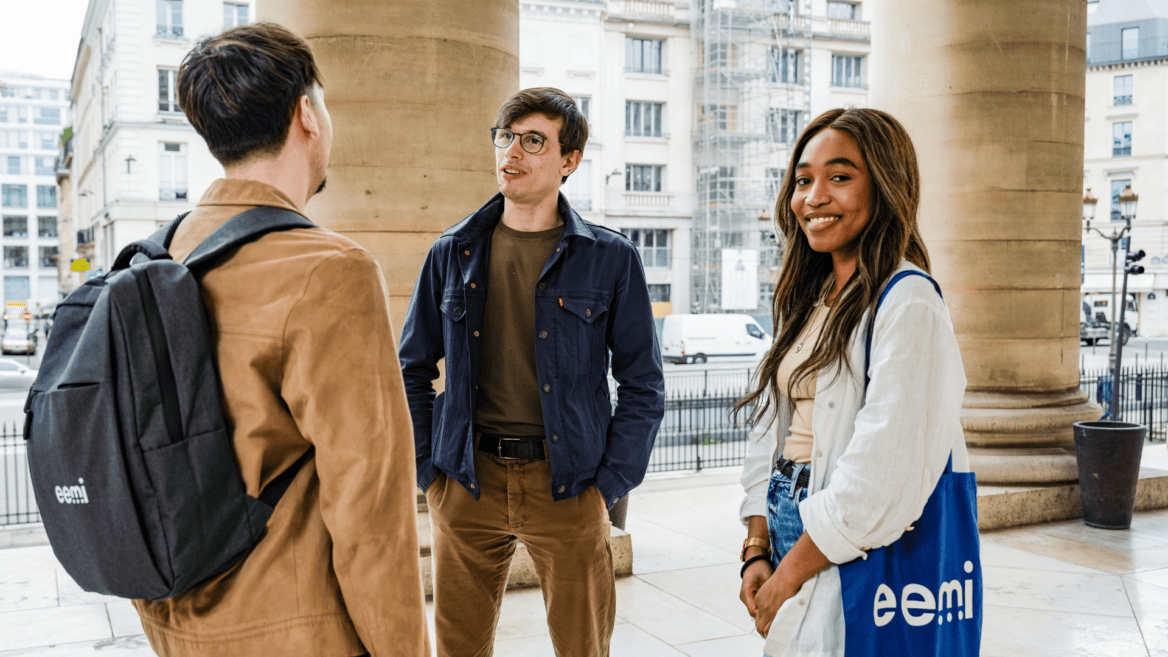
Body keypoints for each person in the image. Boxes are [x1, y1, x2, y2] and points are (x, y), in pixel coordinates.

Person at [130, 23, 429, 657]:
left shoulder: (151, 259)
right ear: (306, 115)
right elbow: (370, 511)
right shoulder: (331, 270)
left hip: (175, 629)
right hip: (297, 631)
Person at [399, 87, 665, 656]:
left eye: (533, 141)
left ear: (568, 161)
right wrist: (429, 473)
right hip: (466, 481)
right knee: (457, 649)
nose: (511, 152)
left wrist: (608, 486)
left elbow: (643, 384)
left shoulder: (610, 257)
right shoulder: (453, 250)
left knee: (582, 647)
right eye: (505, 137)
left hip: (568, 484)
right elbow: (411, 369)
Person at [734, 108, 969, 656]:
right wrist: (755, 546)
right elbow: (770, 430)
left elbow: (883, 476)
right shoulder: (812, 298)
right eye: (803, 179)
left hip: (845, 541)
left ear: (886, 186)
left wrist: (788, 576)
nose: (813, 197)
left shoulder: (909, 299)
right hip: (792, 529)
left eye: (839, 177)